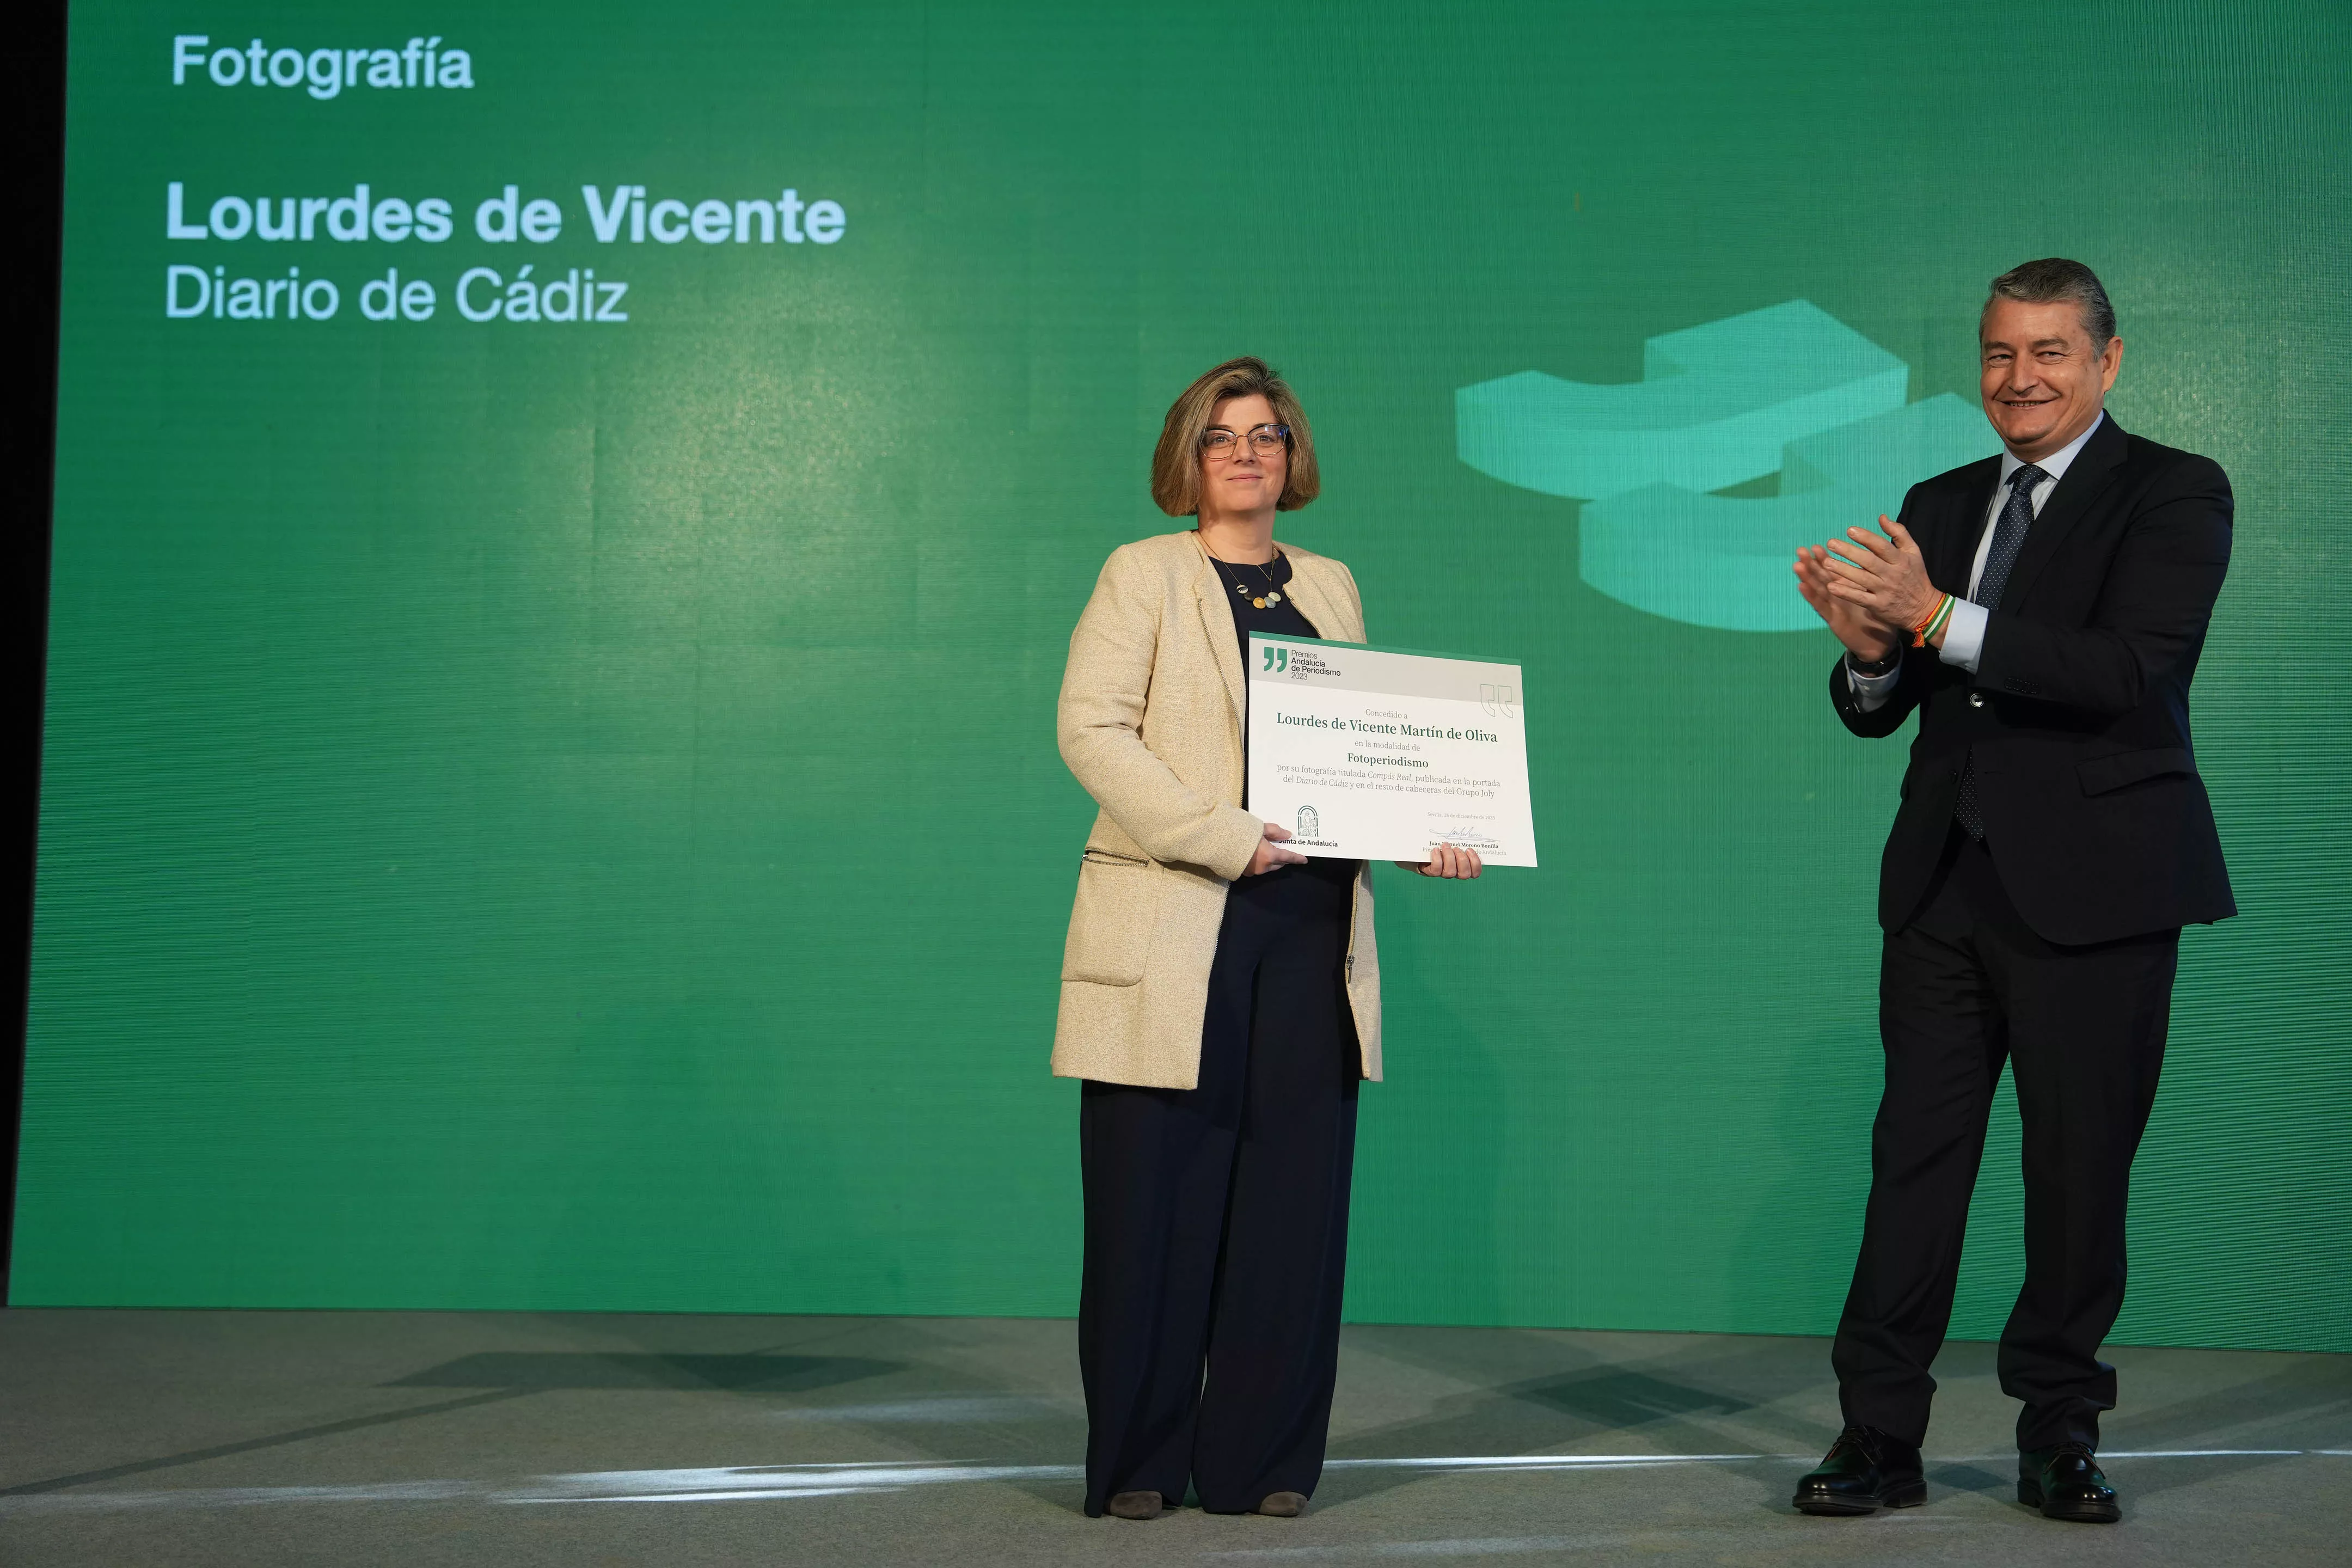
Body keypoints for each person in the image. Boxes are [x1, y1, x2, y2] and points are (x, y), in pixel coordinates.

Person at [1788, 259, 2234, 1524]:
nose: (2018, 378)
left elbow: (2127, 672)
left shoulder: (2175, 491)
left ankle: (2059, 1435)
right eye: (1997, 353)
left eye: (2047, 352)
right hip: (1941, 889)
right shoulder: (1937, 497)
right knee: (1912, 1167)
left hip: (2099, 895)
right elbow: (1887, 708)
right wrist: (1871, 655)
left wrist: (1930, 617)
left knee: (2078, 1172)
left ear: (2107, 360)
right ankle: (1877, 1436)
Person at [1054, 356, 1483, 1521]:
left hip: (1310, 936)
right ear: (1186, 457)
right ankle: (1141, 1462)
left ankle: (1262, 1463)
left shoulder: (1332, 585)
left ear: (1294, 458)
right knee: (1154, 1205)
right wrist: (1216, 836)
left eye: (1269, 436)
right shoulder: (1142, 573)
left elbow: (1356, 752)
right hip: (1178, 920)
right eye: (1223, 437)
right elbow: (1091, 730)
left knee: (1291, 1210)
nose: (1248, 455)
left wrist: (1421, 830)